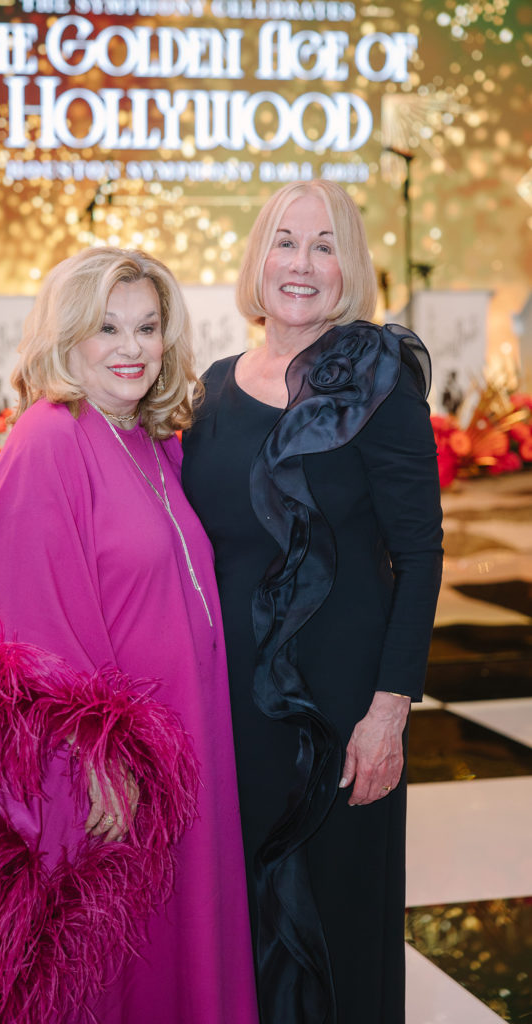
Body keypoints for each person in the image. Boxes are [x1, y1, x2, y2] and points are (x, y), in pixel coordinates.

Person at [0, 248, 259, 1024]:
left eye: (147, 327)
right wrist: (93, 759)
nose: (131, 347)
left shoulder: (153, 439)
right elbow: (25, 630)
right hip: (111, 780)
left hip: (186, 755)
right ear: (66, 337)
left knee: (179, 944)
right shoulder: (48, 438)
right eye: (106, 327)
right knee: (112, 966)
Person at [182, 181, 443, 1024]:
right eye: (284, 242)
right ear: (256, 259)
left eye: (324, 244)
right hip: (231, 715)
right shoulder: (211, 392)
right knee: (243, 930)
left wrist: (388, 713)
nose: (301, 263)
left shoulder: (377, 382)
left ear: (350, 267)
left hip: (341, 720)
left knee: (338, 927)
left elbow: (419, 554)